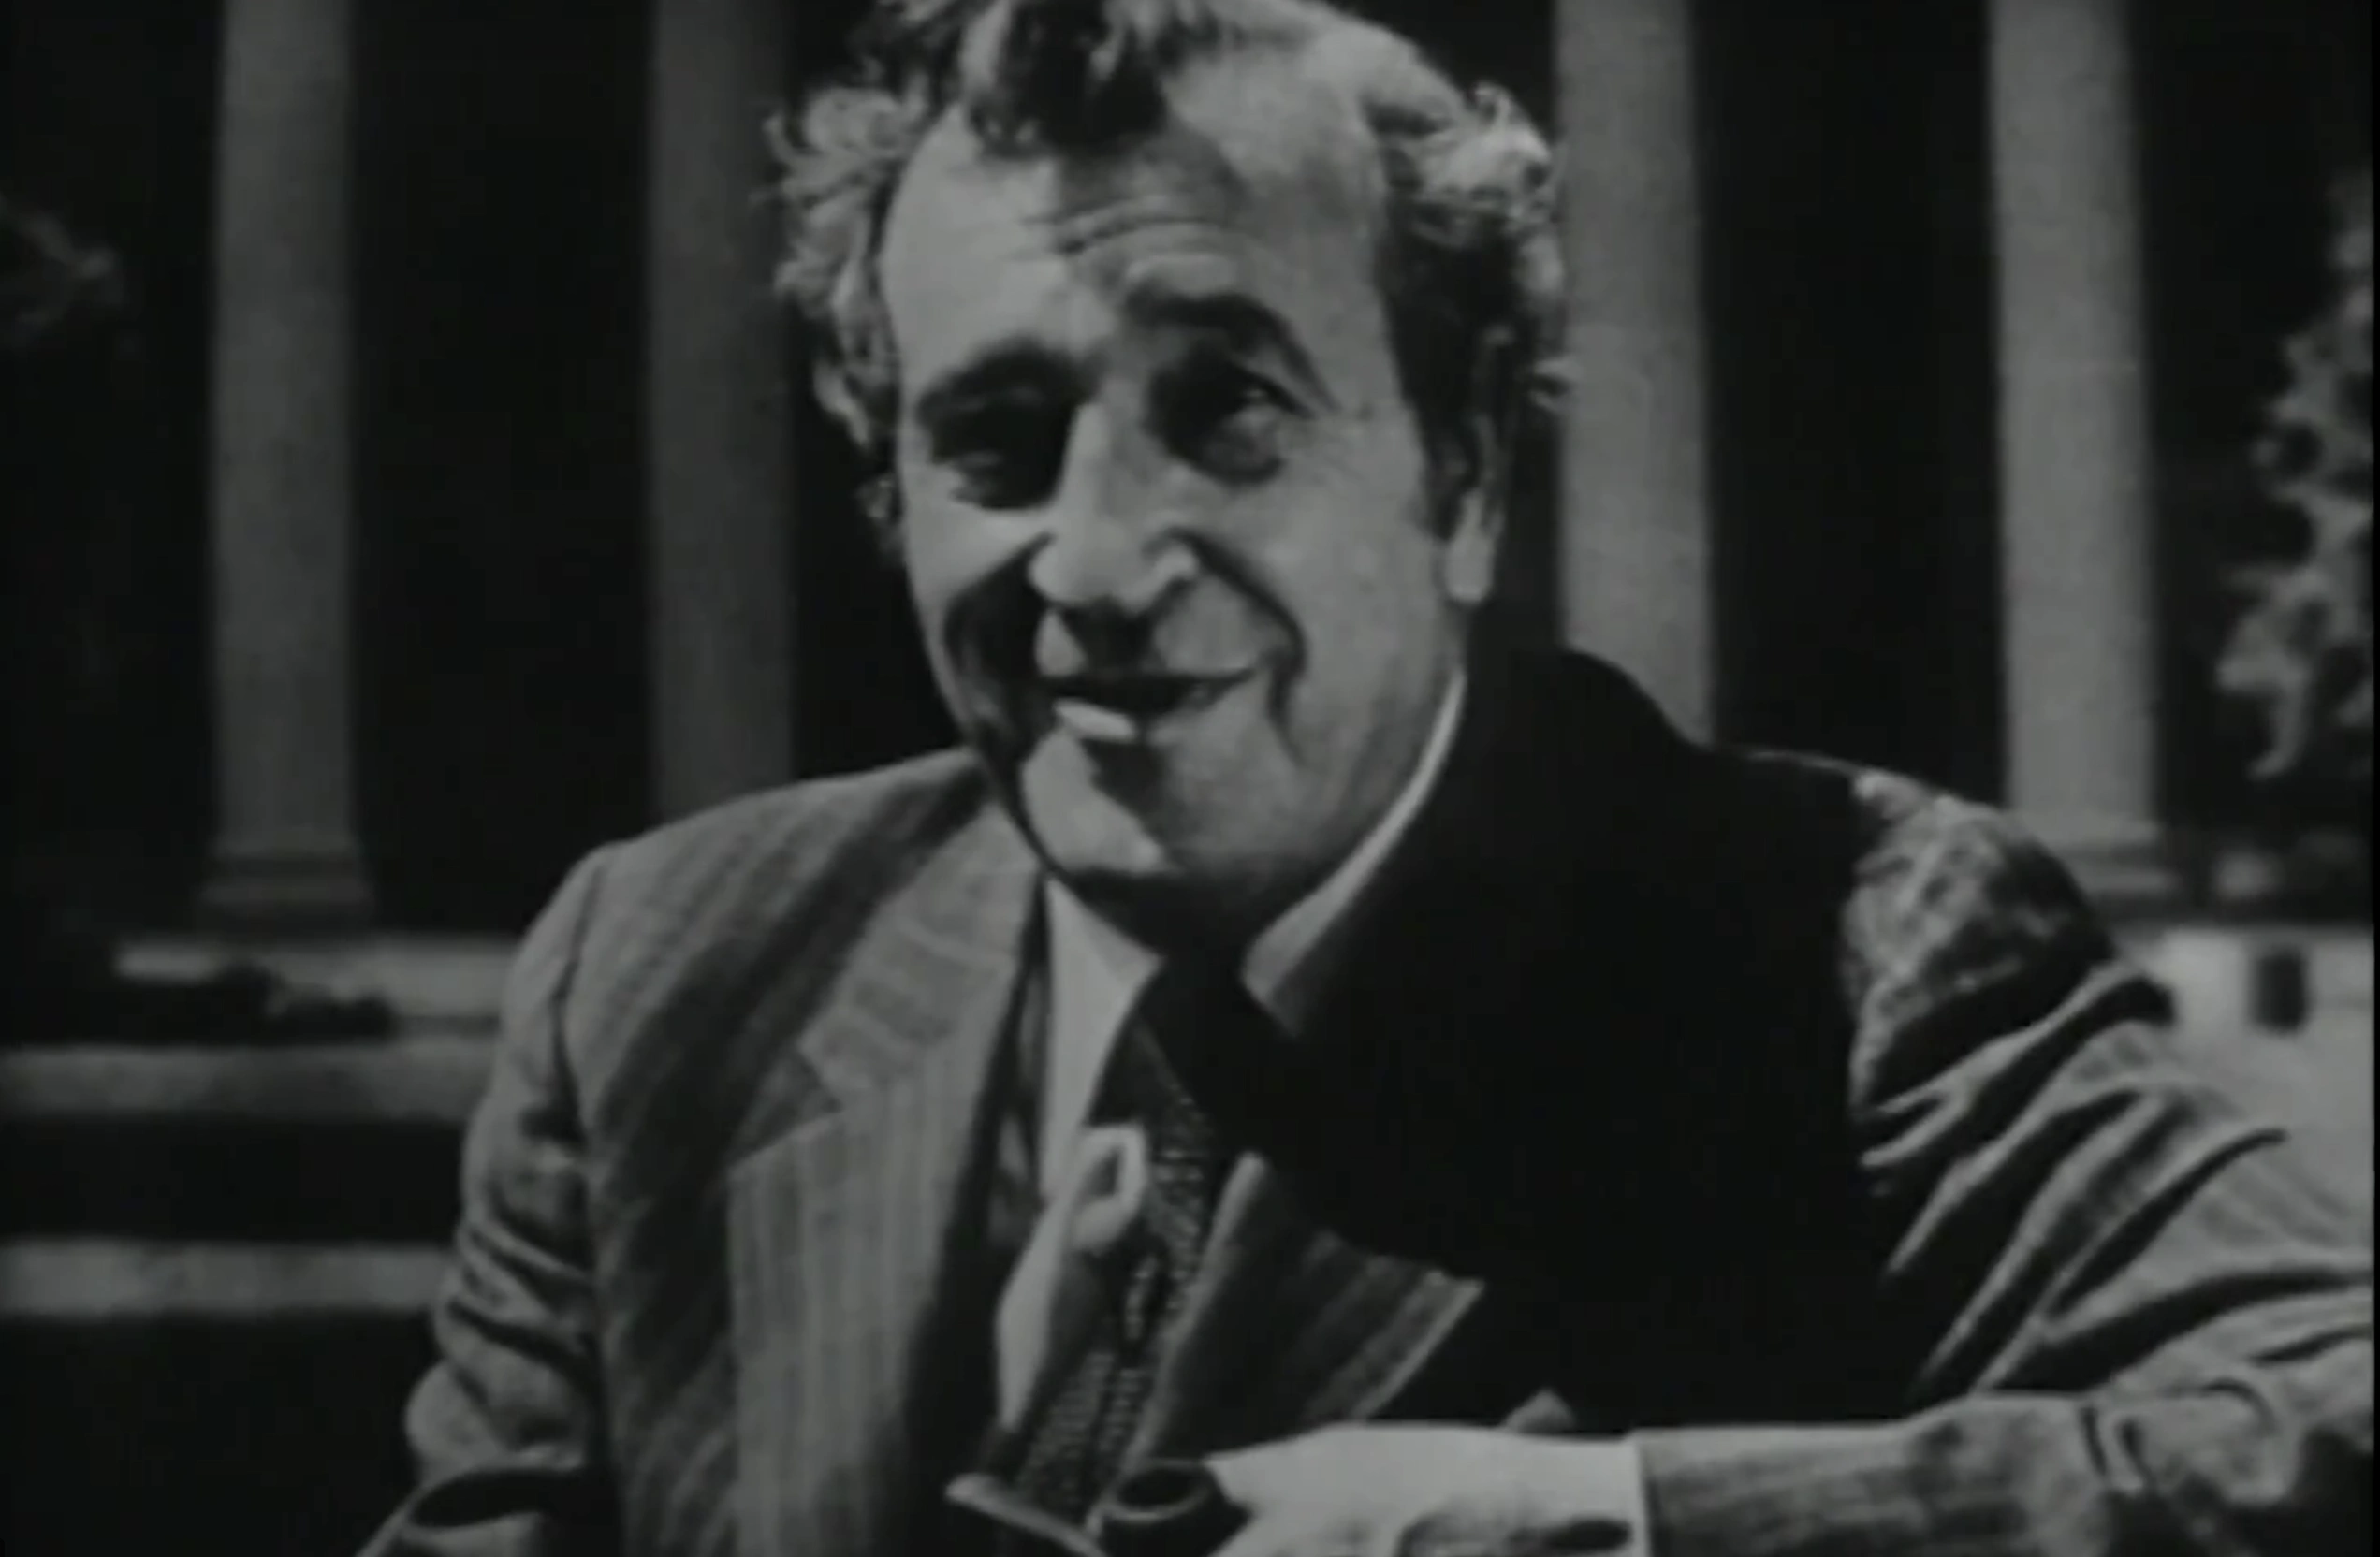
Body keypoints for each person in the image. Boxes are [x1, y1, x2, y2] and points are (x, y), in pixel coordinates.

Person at [361, 2, 2373, 1553]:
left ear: (1464, 470)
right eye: (996, 439)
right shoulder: (659, 974)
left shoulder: (1845, 947)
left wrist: (1590, 1528)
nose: (1094, 564)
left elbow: (2330, 1431)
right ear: (890, 497)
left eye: (1229, 409)